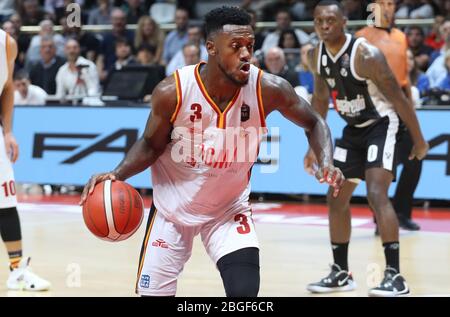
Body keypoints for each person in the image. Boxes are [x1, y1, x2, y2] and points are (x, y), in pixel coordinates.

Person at [79, 6, 344, 297]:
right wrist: (117, 174)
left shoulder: (268, 89)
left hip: (228, 210)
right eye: (235, 47)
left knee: (244, 296)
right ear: (211, 49)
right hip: (172, 211)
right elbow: (151, 145)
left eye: (250, 46)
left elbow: (314, 122)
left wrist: (326, 161)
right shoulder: (173, 92)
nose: (246, 54)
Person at [303, 1, 428, 297]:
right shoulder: (315, 56)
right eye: (319, 21)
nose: (324, 26)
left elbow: (399, 99)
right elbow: (320, 102)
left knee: (376, 194)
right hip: (352, 131)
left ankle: (395, 276)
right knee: (335, 197)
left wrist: (419, 140)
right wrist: (313, 147)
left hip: (382, 125)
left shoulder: (365, 55)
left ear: (344, 21)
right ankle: (341, 273)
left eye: (330, 20)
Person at [356, 0, 423, 232]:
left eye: (391, 3)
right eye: (382, 3)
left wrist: (410, 111)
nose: (387, 8)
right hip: (377, 113)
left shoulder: (400, 37)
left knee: (415, 161)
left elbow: (404, 80)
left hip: (401, 109)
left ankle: (402, 213)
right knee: (382, 170)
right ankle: (380, 220)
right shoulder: (362, 37)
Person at [0, 28, 51, 291]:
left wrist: (8, 131)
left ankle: (17, 270)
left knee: (6, 202)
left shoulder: (6, 43)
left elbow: (7, 87)